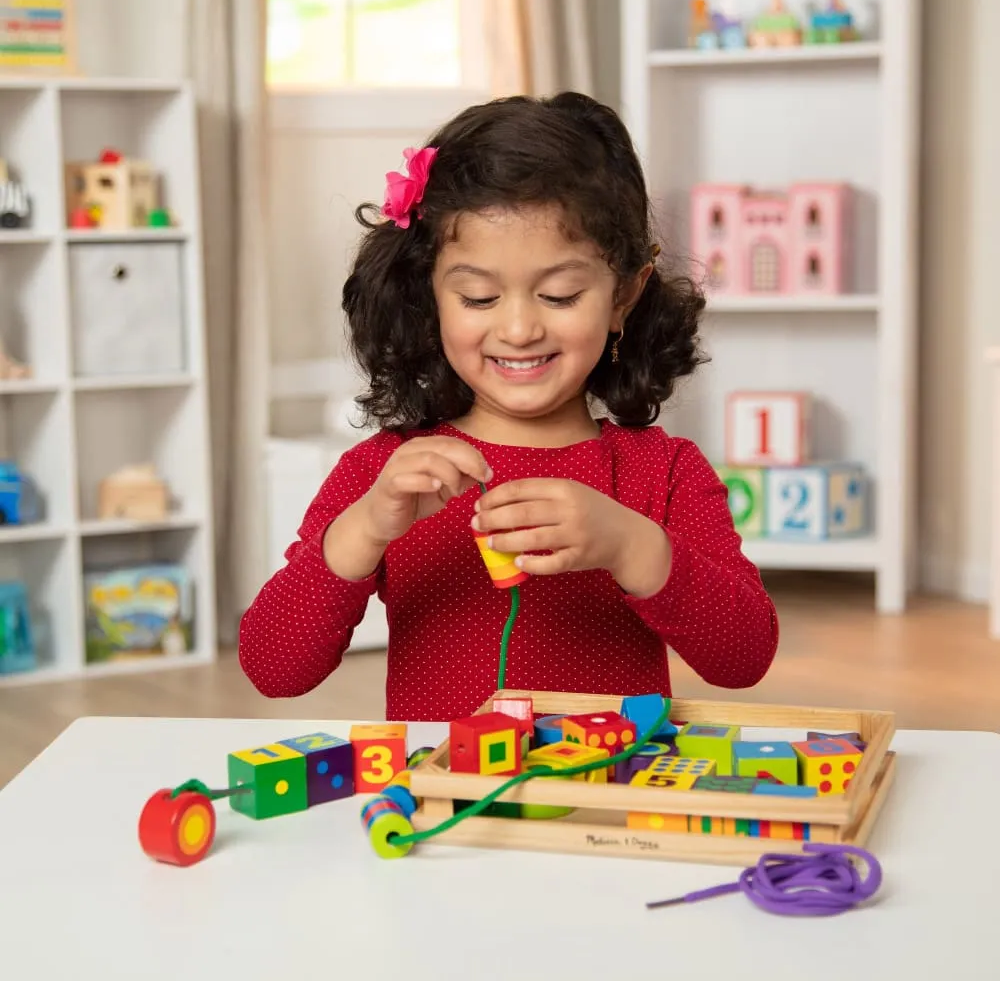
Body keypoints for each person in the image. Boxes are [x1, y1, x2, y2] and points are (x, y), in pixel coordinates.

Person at [239, 91, 779, 721]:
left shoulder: (662, 473)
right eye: (477, 298)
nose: (519, 329)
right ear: (430, 298)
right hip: (448, 811)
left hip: (605, 808)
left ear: (624, 297)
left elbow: (744, 658)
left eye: (559, 294)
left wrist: (634, 547)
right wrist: (364, 530)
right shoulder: (387, 475)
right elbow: (273, 669)